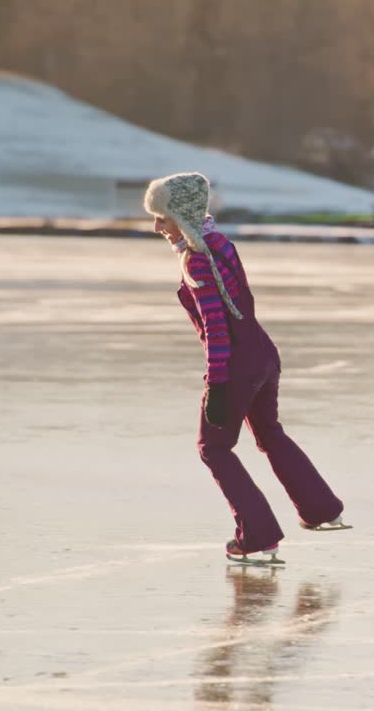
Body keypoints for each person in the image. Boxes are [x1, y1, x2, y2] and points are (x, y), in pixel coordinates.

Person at [145, 172, 348, 566]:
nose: (156, 226)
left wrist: (217, 387)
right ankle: (323, 509)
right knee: (269, 433)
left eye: (162, 217)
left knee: (213, 448)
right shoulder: (220, 244)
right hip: (264, 356)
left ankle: (257, 535)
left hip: (237, 366)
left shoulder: (197, 261)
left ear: (182, 215)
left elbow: (217, 330)